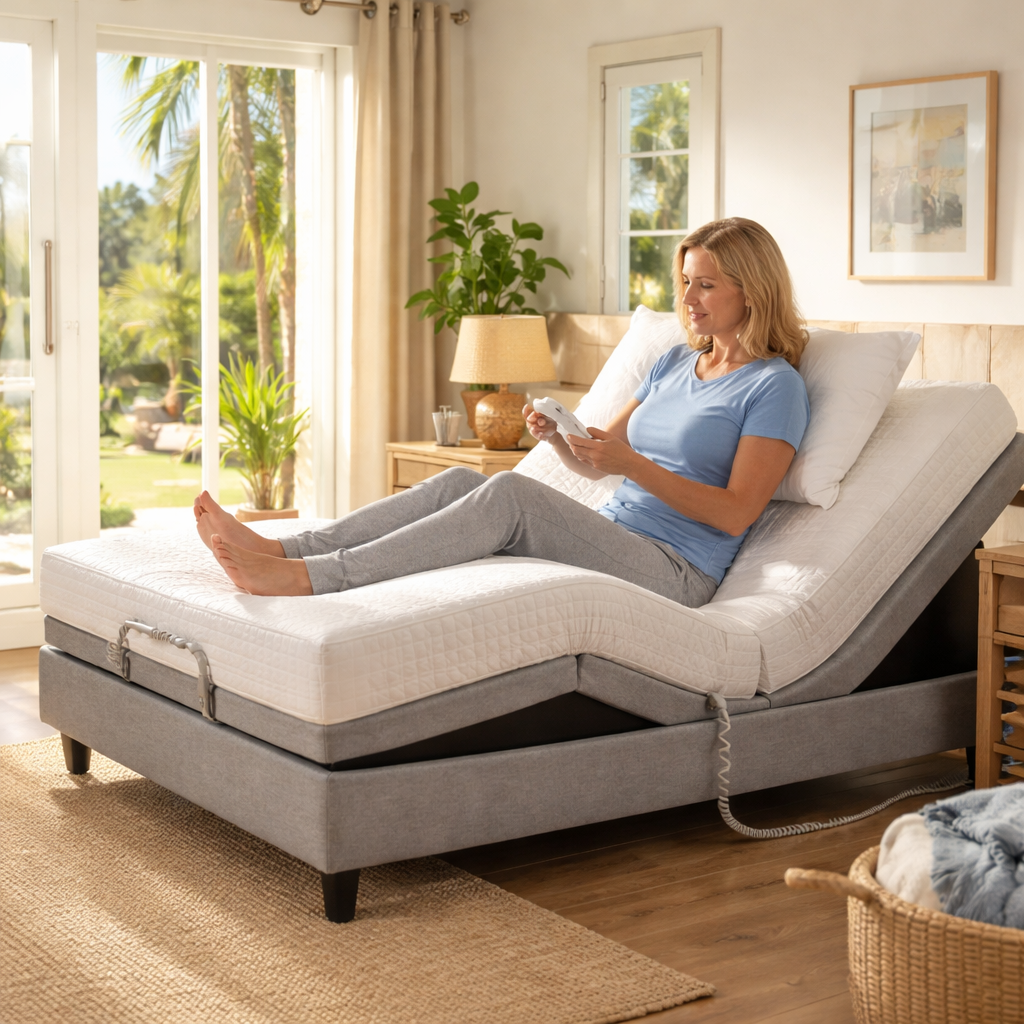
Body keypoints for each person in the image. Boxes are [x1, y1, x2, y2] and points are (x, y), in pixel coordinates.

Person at [196, 217, 810, 604]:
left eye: (704, 284)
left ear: (750, 291)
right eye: (684, 282)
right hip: (617, 534)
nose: (687, 298)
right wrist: (561, 440)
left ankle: (311, 578)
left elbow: (735, 514)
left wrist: (633, 465)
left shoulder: (773, 387)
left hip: (676, 570)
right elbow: (600, 465)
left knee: (510, 497)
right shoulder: (675, 362)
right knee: (466, 479)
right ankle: (287, 551)